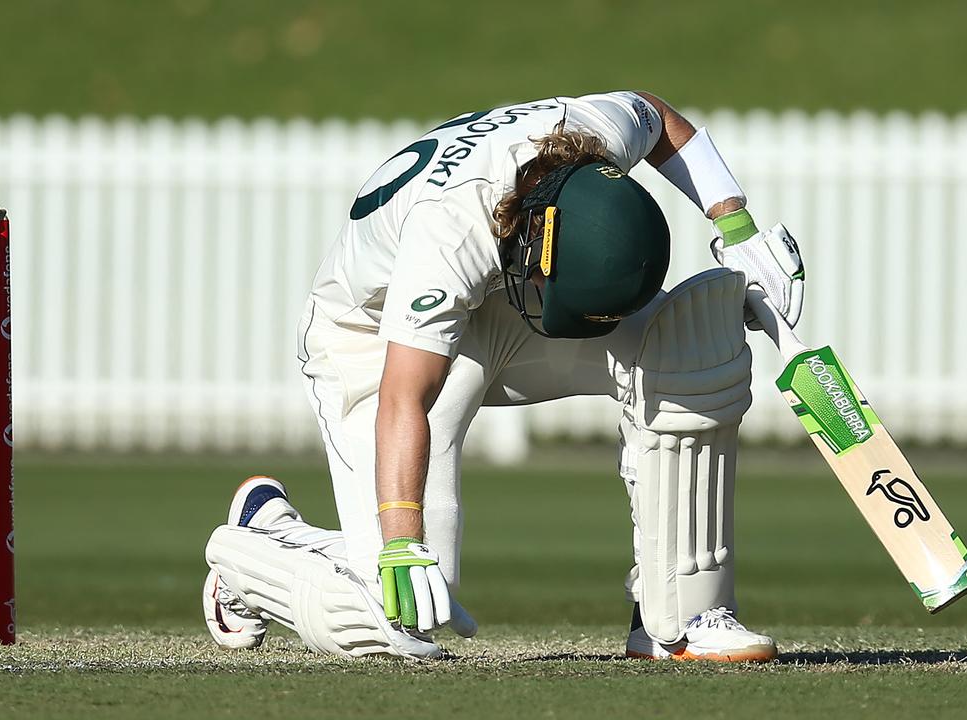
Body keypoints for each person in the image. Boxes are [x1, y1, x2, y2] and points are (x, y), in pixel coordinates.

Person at [202, 91, 805, 661]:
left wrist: (738, 230)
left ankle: (678, 617)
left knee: (687, 344)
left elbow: (654, 113)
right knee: (394, 613)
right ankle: (257, 542)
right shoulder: (447, 235)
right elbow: (403, 399)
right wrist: (401, 543)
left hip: (495, 305)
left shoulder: (597, 134)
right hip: (370, 342)